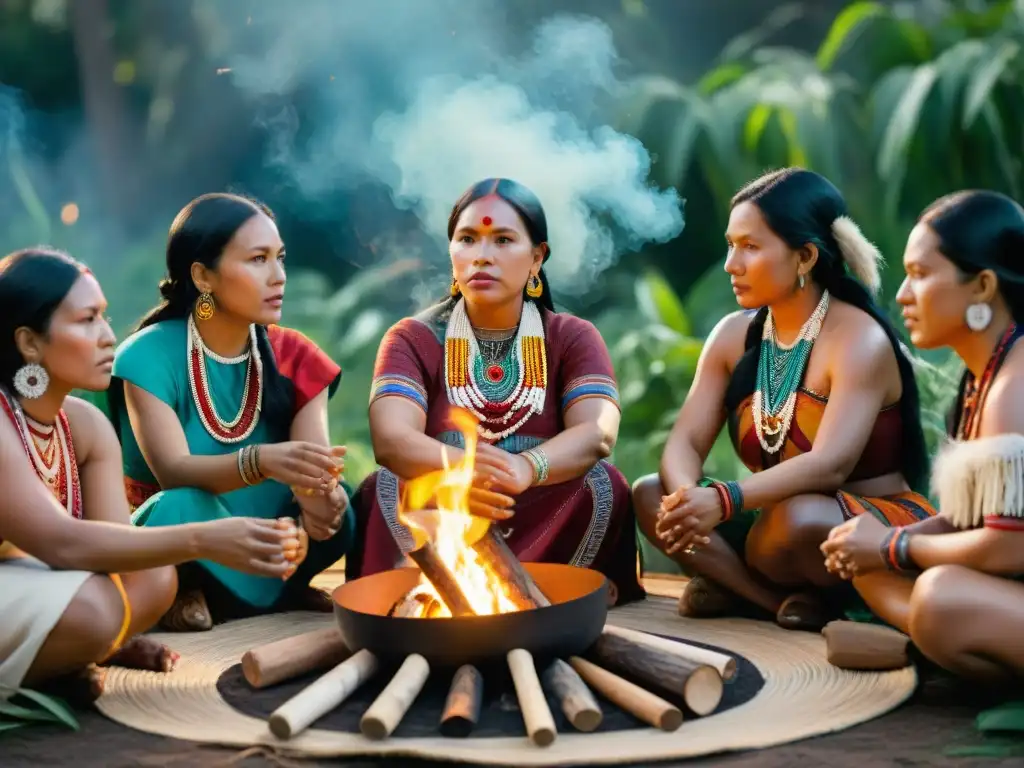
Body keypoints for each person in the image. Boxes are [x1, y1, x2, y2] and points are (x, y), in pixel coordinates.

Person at [633, 168, 935, 630]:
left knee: (797, 518)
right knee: (651, 492)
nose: (732, 264)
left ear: (805, 256)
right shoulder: (733, 335)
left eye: (751, 247)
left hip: (853, 527)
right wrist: (687, 500)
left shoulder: (859, 339)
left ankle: (745, 587)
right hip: (765, 523)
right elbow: (686, 443)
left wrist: (725, 501)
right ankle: (772, 602)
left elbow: (829, 465)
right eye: (731, 245)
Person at [0, 248, 303, 702]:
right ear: (29, 343)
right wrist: (205, 538)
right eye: (86, 321)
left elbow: (115, 553)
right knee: (95, 609)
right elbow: (61, 542)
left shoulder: (84, 425)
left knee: (156, 579)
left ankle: (71, 655)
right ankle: (60, 660)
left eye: (103, 317)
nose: (107, 337)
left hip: (28, 583)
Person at [346, 177, 644, 605]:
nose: (482, 256)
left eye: (503, 240)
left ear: (537, 257)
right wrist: (460, 472)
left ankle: (557, 594)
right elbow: (392, 440)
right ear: (452, 255)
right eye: (467, 239)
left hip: (542, 509)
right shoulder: (412, 337)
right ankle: (420, 597)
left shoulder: (572, 336)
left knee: (602, 484)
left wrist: (526, 469)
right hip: (444, 510)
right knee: (387, 486)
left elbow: (596, 433)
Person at [107, 193, 353, 632]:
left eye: (280, 258)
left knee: (348, 505)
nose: (278, 276)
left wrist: (321, 499)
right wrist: (260, 461)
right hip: (190, 535)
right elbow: (173, 473)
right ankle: (188, 590)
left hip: (275, 539)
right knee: (178, 505)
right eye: (258, 260)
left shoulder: (293, 354)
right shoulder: (148, 356)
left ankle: (256, 592)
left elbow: (316, 468)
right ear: (202, 275)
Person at [822, 190, 1024, 680]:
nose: (902, 296)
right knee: (865, 562)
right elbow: (967, 520)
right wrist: (882, 543)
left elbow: (1009, 548)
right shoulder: (984, 379)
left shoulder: (1015, 387)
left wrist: (894, 545)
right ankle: (937, 642)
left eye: (920, 274)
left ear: (981, 286)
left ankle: (925, 642)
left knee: (939, 598)